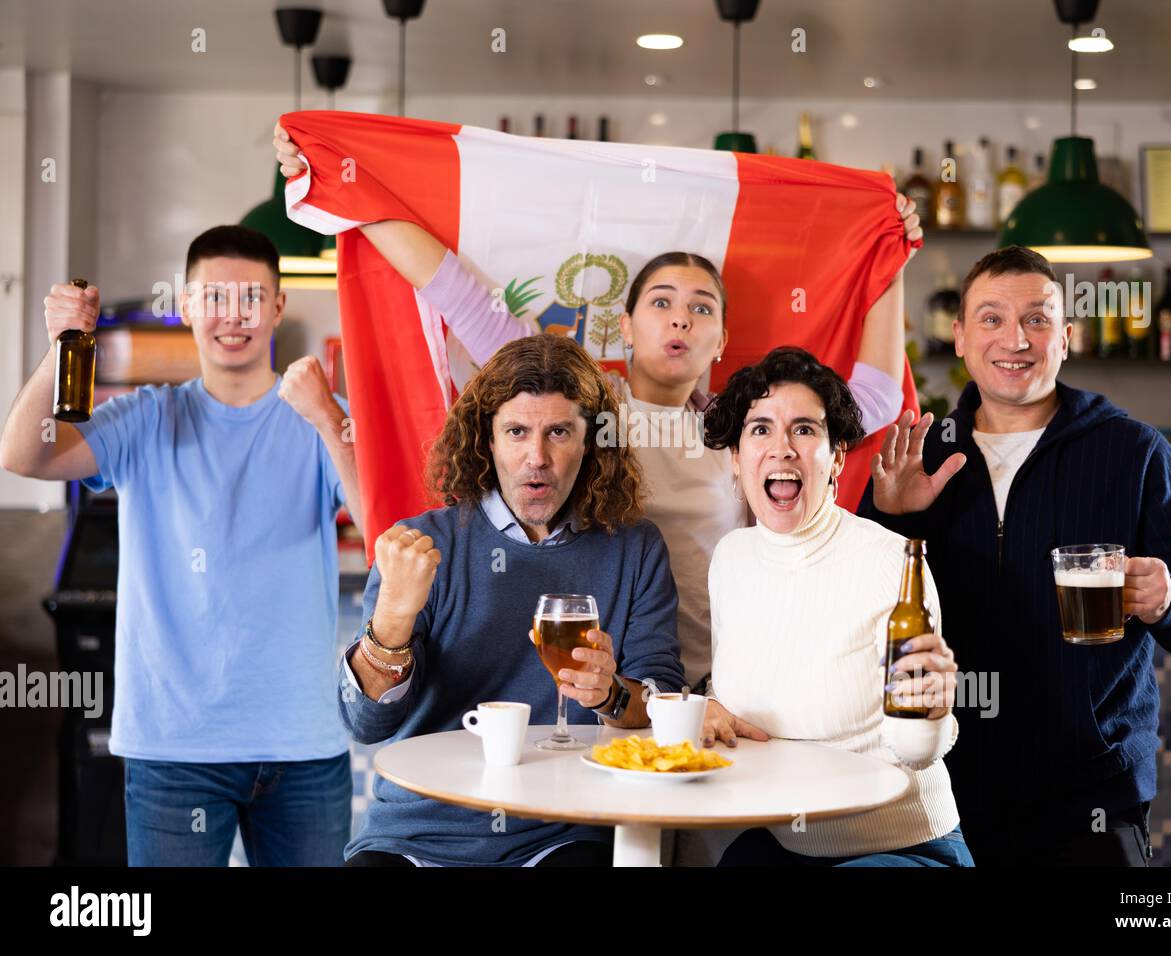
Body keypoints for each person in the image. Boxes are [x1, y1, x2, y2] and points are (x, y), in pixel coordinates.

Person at [273, 124, 920, 690]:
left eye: (702, 308)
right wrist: (344, 184)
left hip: (731, 677)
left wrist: (890, 248)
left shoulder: (740, 430)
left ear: (722, 338)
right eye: (662, 302)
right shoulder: (584, 404)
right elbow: (453, 289)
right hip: (605, 683)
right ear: (626, 325)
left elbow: (871, 399)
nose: (681, 320)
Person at [860, 245, 1171, 866]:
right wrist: (891, 519)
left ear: (1065, 337)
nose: (1015, 339)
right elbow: (856, 614)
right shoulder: (921, 456)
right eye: (991, 319)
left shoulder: (1132, 450)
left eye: (1036, 320)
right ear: (959, 337)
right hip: (940, 790)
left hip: (1091, 798)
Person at [0, 225, 363, 866]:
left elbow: (385, 531)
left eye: (252, 297)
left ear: (277, 309)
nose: (233, 315)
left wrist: (330, 420)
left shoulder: (318, 419)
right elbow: (24, 454)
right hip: (174, 750)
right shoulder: (146, 416)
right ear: (188, 305)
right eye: (214, 297)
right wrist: (62, 346)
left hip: (302, 745)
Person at [340, 333, 684, 867]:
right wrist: (391, 623)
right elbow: (366, 725)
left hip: (562, 832)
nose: (536, 458)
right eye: (517, 432)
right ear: (488, 440)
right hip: (419, 833)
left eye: (559, 432)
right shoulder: (424, 546)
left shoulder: (635, 549)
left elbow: (662, 700)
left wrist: (609, 696)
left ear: (592, 441)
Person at [698, 346, 972, 867]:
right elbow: (732, 692)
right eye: (760, 430)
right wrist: (709, 709)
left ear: (837, 458)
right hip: (784, 845)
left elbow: (917, 747)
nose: (781, 448)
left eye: (804, 429)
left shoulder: (889, 562)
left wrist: (931, 710)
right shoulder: (730, 560)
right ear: (736, 459)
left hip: (902, 847)